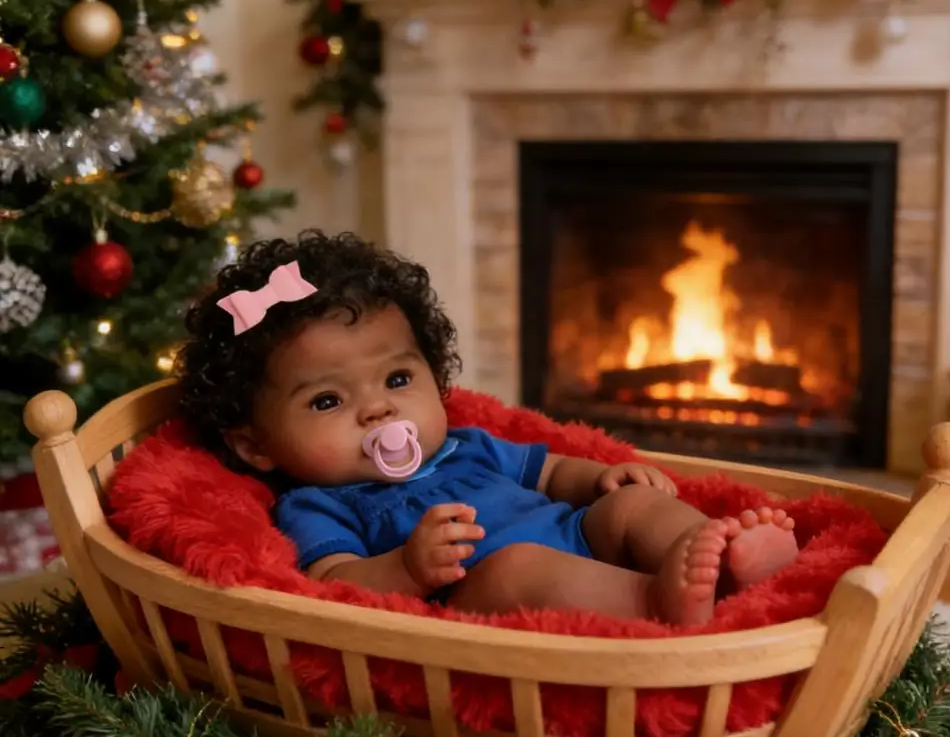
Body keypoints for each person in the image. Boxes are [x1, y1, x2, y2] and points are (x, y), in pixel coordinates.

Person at [177, 231, 798, 626]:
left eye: (397, 379)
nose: (378, 411)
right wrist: (408, 567)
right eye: (328, 401)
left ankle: (722, 562)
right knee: (513, 566)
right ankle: (657, 601)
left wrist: (603, 479)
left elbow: (553, 472)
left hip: (576, 535)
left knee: (631, 506)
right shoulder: (316, 504)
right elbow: (334, 584)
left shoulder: (464, 447)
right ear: (254, 444)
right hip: (484, 592)